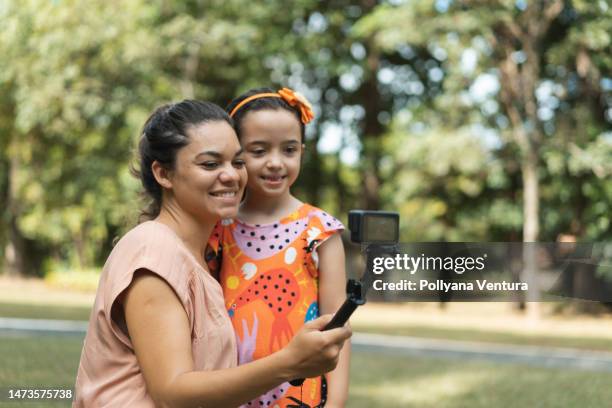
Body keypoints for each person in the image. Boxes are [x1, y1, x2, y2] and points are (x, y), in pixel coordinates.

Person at [73, 100, 351, 408]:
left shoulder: (206, 254)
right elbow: (173, 393)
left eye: (237, 162)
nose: (231, 175)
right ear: (164, 174)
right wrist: (289, 362)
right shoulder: (153, 254)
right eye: (210, 164)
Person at [207, 88, 350, 408]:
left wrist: (336, 402)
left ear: (302, 150)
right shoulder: (218, 227)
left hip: (299, 396)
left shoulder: (321, 231)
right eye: (259, 151)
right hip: (228, 392)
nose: (275, 163)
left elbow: (337, 327)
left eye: (288, 150)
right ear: (236, 153)